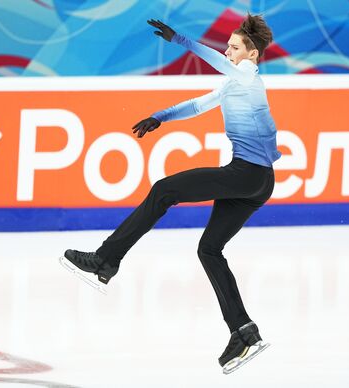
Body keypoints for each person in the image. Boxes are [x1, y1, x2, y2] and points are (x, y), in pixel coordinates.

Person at [60, 13, 281, 374]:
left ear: (253, 55)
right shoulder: (233, 85)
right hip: (257, 181)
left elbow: (213, 60)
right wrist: (159, 117)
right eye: (227, 45)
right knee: (209, 249)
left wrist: (180, 39)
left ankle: (105, 260)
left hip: (247, 174)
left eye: (234, 47)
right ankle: (244, 332)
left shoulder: (249, 78)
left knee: (164, 189)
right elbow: (196, 105)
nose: (227, 51)